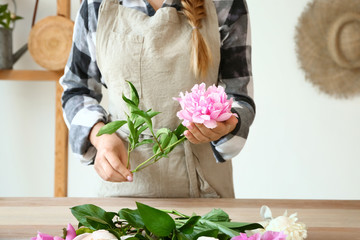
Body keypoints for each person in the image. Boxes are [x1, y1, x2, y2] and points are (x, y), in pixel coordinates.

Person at [60, 0, 255, 198]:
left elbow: (239, 95)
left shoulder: (225, 3)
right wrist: (100, 135)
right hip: (124, 186)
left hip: (205, 191)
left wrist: (227, 124)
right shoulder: (96, 5)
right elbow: (76, 89)